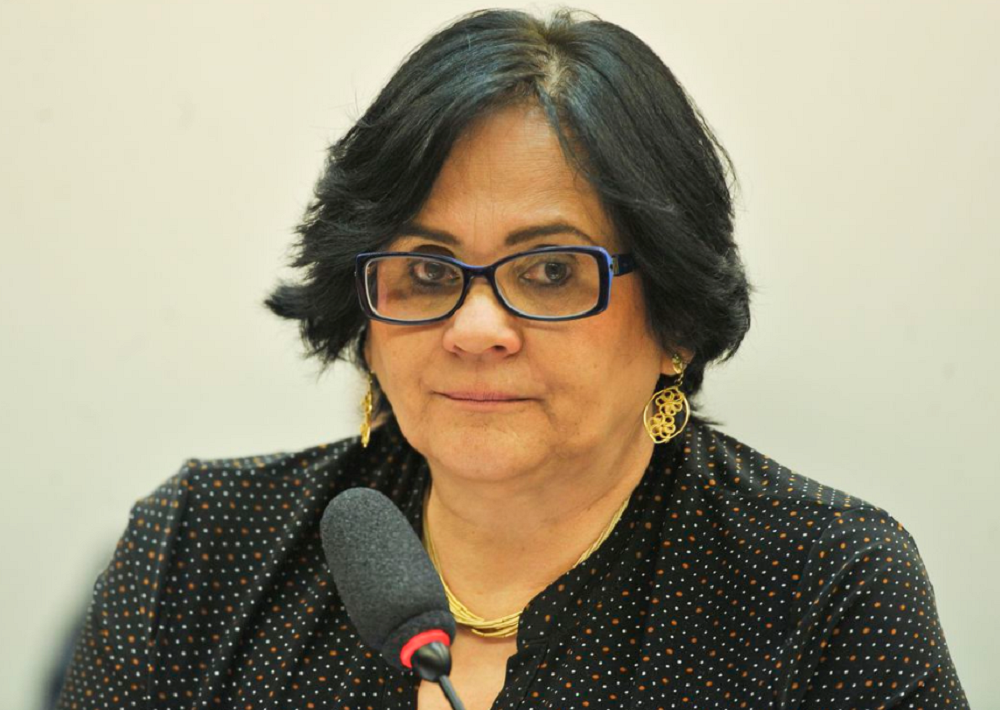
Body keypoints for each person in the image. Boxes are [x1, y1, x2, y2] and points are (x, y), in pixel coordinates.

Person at [55, 7, 969, 710]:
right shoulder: (200, 551)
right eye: (426, 271)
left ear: (675, 321)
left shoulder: (825, 590)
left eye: (550, 271)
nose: (476, 328)